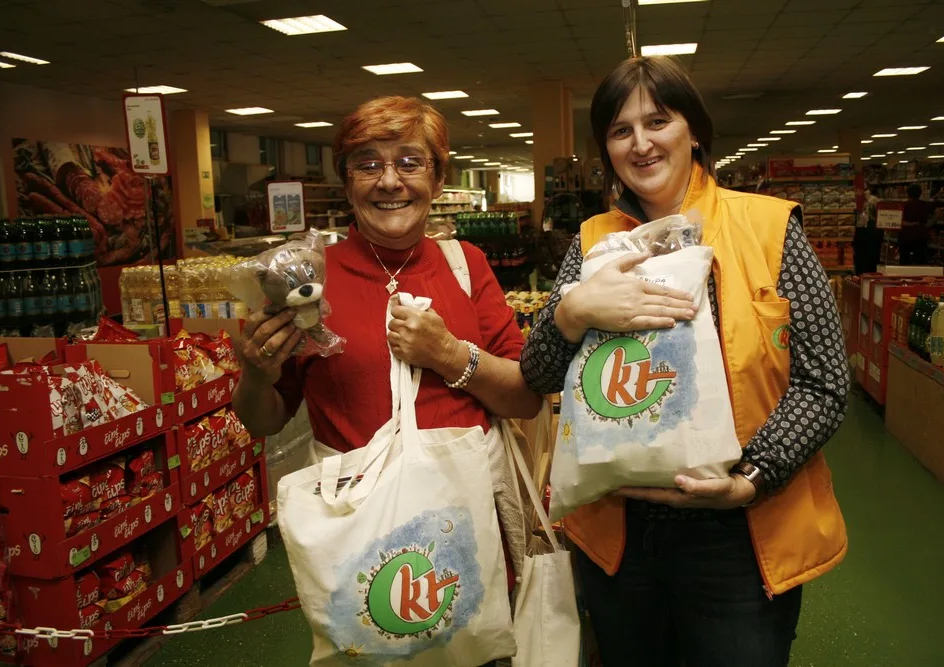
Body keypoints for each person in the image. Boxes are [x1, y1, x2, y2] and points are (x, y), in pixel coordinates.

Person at [520, 56, 850, 667]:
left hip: (737, 534)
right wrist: (570, 314)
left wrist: (750, 480)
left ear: (692, 129)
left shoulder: (769, 228)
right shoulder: (592, 243)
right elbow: (536, 374)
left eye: (658, 121)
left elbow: (824, 382)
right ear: (606, 149)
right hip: (617, 530)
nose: (641, 143)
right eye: (621, 131)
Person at [232, 95, 542, 667]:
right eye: (368, 164)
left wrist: (450, 355)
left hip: (467, 524)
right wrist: (257, 372)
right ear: (347, 182)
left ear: (438, 175)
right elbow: (263, 418)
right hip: (361, 536)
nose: (389, 181)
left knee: (481, 649)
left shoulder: (465, 265)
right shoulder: (309, 277)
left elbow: (523, 397)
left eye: (409, 162)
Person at [899, 183, 933, 265]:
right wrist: (929, 223)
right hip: (920, 236)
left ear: (908, 193)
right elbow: (938, 212)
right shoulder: (924, 204)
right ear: (920, 193)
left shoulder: (904, 205)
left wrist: (910, 224)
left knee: (904, 261)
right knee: (921, 261)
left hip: (905, 236)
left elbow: (899, 220)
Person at [854, 185, 882, 274]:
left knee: (861, 257)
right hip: (873, 233)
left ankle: (861, 274)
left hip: (863, 232)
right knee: (872, 258)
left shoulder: (856, 200)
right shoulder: (875, 200)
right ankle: (871, 274)